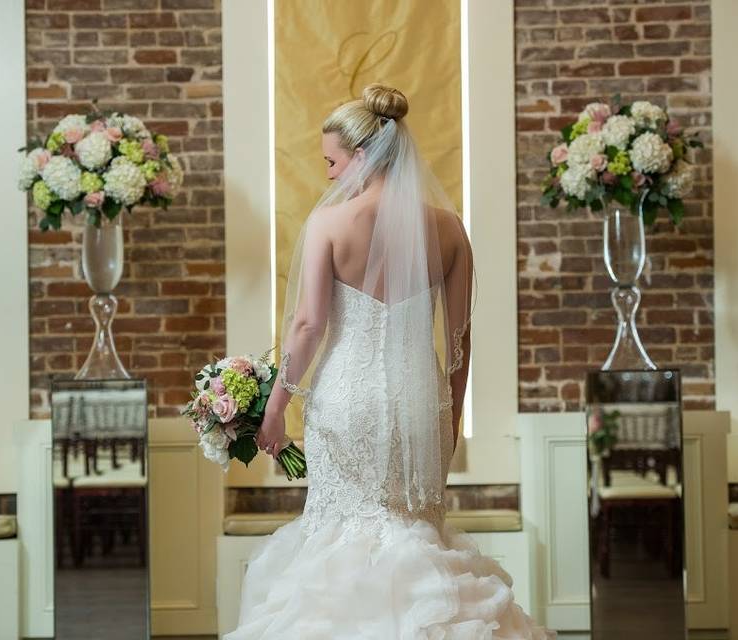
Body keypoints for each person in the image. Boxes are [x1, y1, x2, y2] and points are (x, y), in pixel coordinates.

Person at [229, 83, 556, 639]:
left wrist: (276, 407)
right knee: (414, 527)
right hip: (419, 398)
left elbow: (307, 326)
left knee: (341, 533)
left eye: (332, 161)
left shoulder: (329, 225)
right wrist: (450, 417)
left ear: (363, 155)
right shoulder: (449, 230)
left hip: (347, 401)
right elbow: (459, 342)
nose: (328, 175)